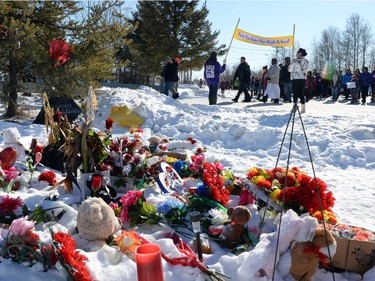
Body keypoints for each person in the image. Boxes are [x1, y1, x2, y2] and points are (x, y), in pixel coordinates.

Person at [288, 48, 309, 113]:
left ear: (301, 53)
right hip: (294, 79)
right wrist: (294, 64)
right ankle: (294, 107)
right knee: (295, 93)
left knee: (301, 93)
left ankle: (303, 108)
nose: (296, 53)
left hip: (302, 78)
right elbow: (289, 69)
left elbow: (305, 70)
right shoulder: (294, 60)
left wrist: (299, 64)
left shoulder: (305, 61)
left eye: (298, 52)